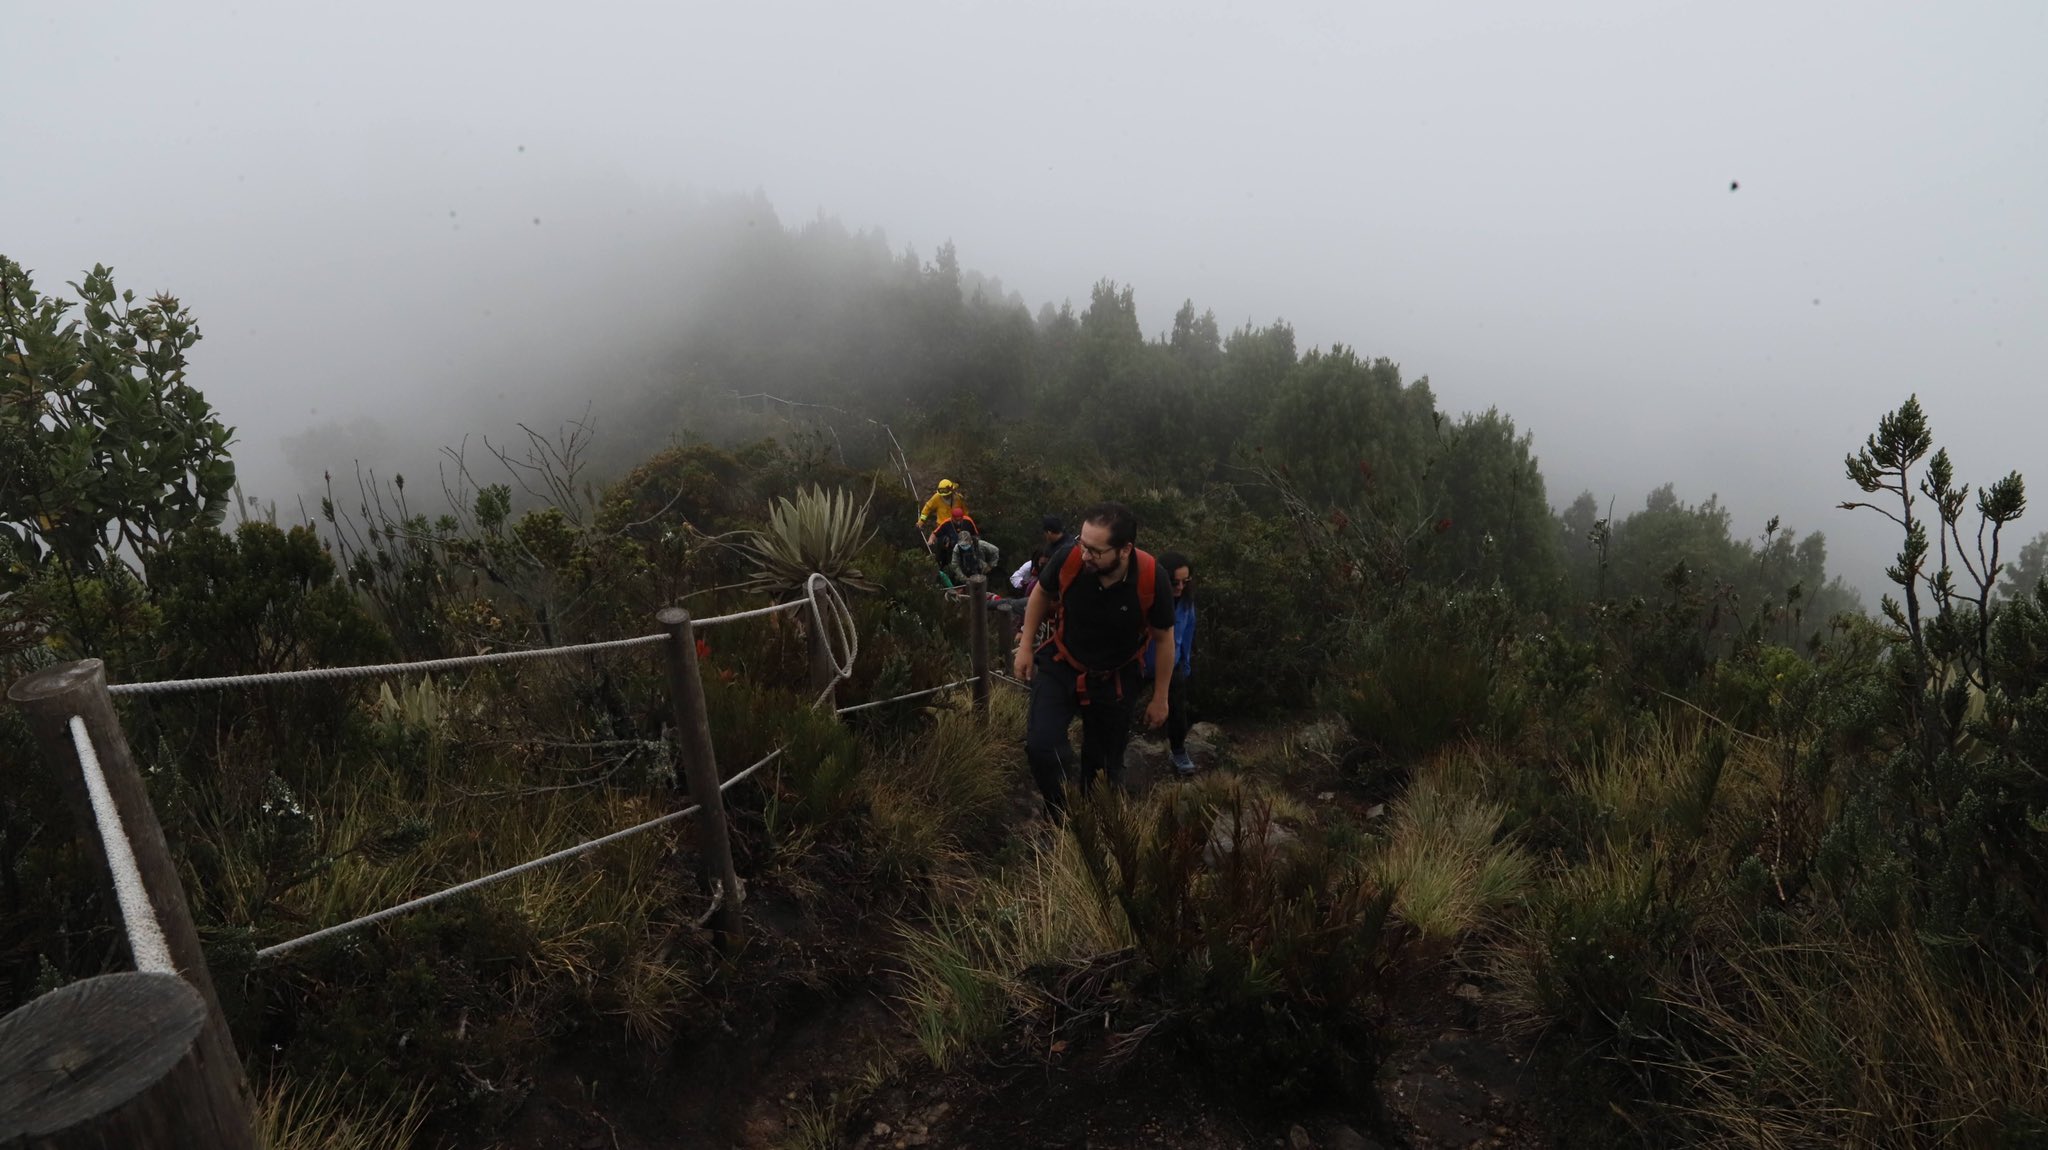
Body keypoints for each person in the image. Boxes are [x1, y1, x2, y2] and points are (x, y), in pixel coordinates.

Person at [1012, 501, 1175, 819]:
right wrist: (1027, 647)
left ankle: (1090, 821)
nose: (1084, 554)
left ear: (1125, 549)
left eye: (1095, 551)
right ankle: (1060, 814)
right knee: (1041, 746)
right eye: (1082, 544)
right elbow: (1042, 594)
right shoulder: (1070, 556)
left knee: (1102, 767)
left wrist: (1160, 697)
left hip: (1115, 677)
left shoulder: (1151, 579)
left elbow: (1164, 638)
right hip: (1062, 662)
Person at [1141, 552, 1197, 776]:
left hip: (1170, 666)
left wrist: (1185, 663)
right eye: (1175, 582)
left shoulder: (1185, 603)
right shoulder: (1146, 600)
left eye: (1186, 581)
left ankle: (1178, 750)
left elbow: (1187, 633)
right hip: (1141, 666)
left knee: (1177, 711)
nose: (1180, 587)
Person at [945, 511, 1001, 586]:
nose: (964, 546)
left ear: (971, 541)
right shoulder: (957, 548)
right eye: (962, 545)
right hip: (965, 572)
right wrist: (964, 578)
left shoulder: (980, 544)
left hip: (981, 570)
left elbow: (995, 550)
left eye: (966, 544)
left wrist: (991, 565)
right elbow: (955, 565)